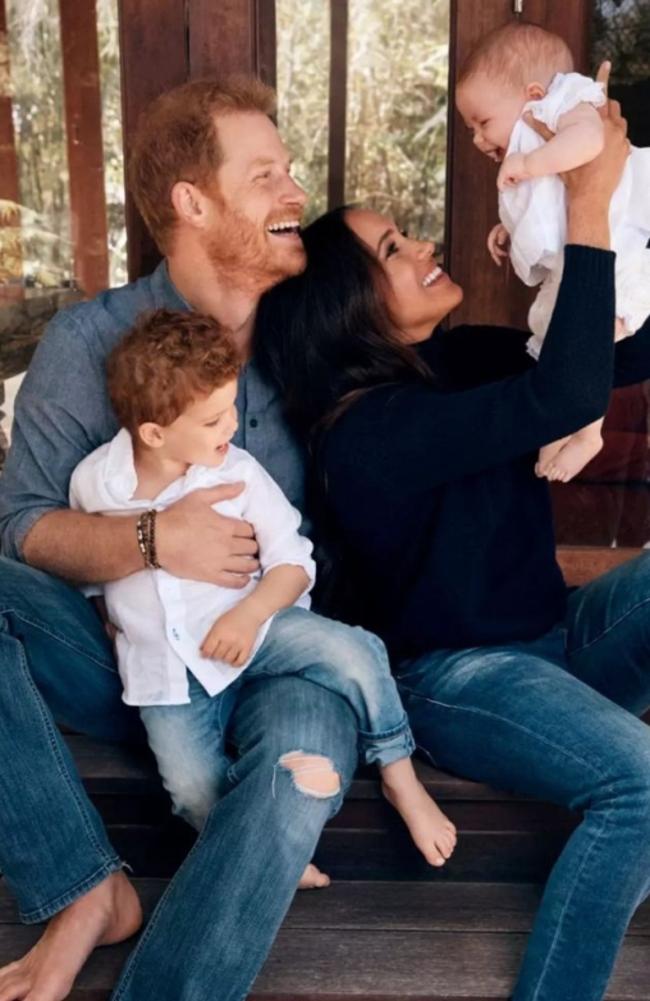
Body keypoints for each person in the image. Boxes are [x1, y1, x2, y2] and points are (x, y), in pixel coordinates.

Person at [256, 83, 650, 1001]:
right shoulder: (366, 434)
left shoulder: (455, 359)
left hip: (554, 644)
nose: (424, 244)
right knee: (639, 788)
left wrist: (583, 233)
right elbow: (559, 402)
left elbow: (610, 360)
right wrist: (584, 201)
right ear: (348, 308)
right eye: (394, 248)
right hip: (461, 680)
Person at [0, 75, 373, 1001]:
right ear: (191, 201)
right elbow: (21, 528)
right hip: (130, 661)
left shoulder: (310, 334)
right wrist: (153, 538)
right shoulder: (91, 342)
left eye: (290, 172)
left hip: (282, 653)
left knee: (297, 773)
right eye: (265, 177)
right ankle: (84, 887)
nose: (296, 194)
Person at [69, 307, 456, 867]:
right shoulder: (95, 483)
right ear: (154, 432)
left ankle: (399, 774)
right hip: (167, 673)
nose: (230, 427)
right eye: (212, 420)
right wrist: (109, 615)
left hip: (260, 624)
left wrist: (248, 616)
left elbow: (294, 563)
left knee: (357, 652)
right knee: (189, 787)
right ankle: (258, 848)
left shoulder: (238, 473)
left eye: (231, 408)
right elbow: (91, 567)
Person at [455, 22, 650, 483]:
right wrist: (508, 229)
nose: (479, 140)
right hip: (577, 258)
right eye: (470, 130)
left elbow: (589, 143)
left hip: (615, 255)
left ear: (535, 93)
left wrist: (530, 162)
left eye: (483, 123)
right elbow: (549, 206)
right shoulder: (535, 138)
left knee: (588, 337)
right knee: (553, 335)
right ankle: (566, 421)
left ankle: (588, 431)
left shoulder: (570, 103)